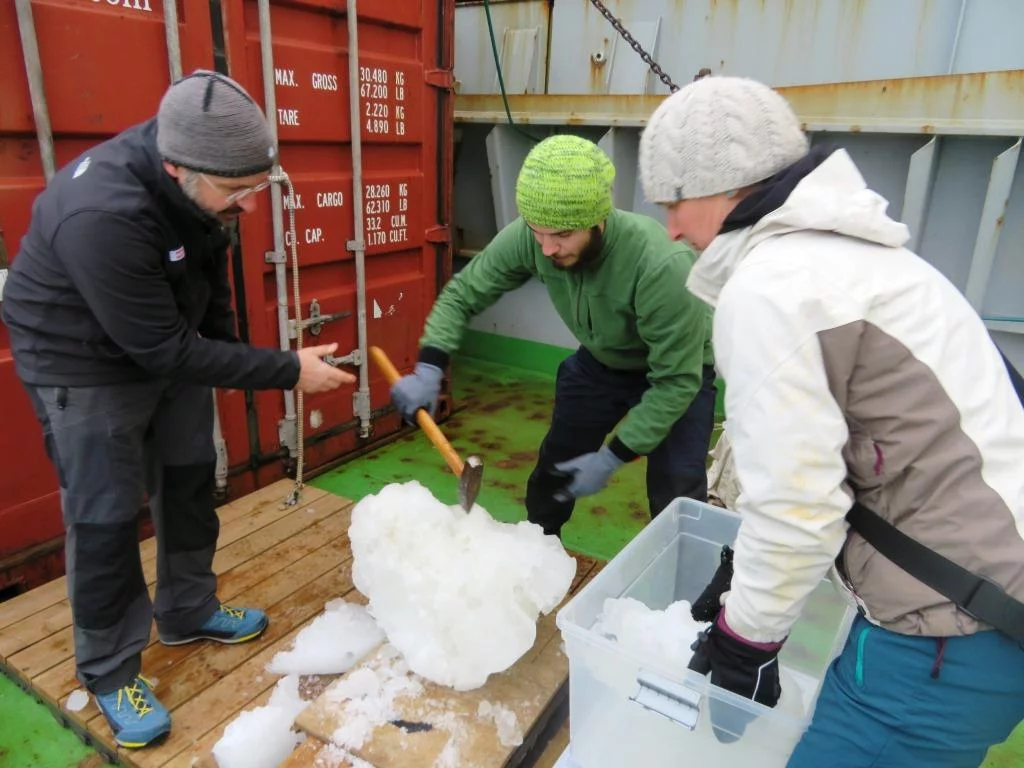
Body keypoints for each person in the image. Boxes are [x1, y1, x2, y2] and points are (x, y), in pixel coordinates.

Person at [638, 74, 1024, 767]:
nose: (669, 227)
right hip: (994, 605)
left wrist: (743, 643)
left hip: (946, 632)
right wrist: (741, 566)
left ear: (726, 186)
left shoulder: (769, 286)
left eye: (674, 200)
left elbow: (798, 505)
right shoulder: (865, 258)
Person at [0, 70, 352, 748]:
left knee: (190, 478)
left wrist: (252, 355)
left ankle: (188, 609)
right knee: (104, 518)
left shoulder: (207, 190)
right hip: (81, 361)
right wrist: (286, 371)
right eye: (237, 192)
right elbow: (163, 350)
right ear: (177, 167)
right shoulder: (104, 214)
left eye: (256, 188)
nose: (249, 207)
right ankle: (108, 670)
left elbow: (208, 284)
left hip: (163, 341)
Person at [390, 134, 717, 538]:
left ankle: (690, 591)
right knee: (553, 472)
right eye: (537, 232)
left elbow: (675, 382)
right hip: (601, 364)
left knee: (677, 492)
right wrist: (429, 365)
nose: (546, 248)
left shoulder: (662, 264)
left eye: (561, 235)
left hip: (675, 372)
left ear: (598, 219)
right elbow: (463, 294)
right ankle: (538, 553)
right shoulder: (535, 236)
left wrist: (613, 456)